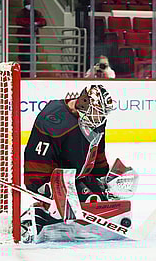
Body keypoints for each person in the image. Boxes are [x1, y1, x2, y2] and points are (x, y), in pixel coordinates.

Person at [21, 84, 138, 243]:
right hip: (55, 180)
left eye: (102, 114)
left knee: (102, 199)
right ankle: (40, 217)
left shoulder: (94, 118)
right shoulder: (53, 120)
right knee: (90, 200)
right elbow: (36, 158)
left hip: (77, 176)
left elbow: (97, 150)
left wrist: (101, 177)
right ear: (83, 103)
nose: (100, 118)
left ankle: (74, 214)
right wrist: (45, 187)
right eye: (97, 113)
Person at [15, 0, 47, 76]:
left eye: (30, 4)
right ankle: (23, 74)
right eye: (28, 4)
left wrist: (36, 24)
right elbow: (19, 21)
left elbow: (43, 21)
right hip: (23, 39)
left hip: (33, 39)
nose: (29, 5)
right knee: (23, 57)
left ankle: (32, 73)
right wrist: (29, 24)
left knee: (33, 57)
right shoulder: (21, 13)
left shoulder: (36, 13)